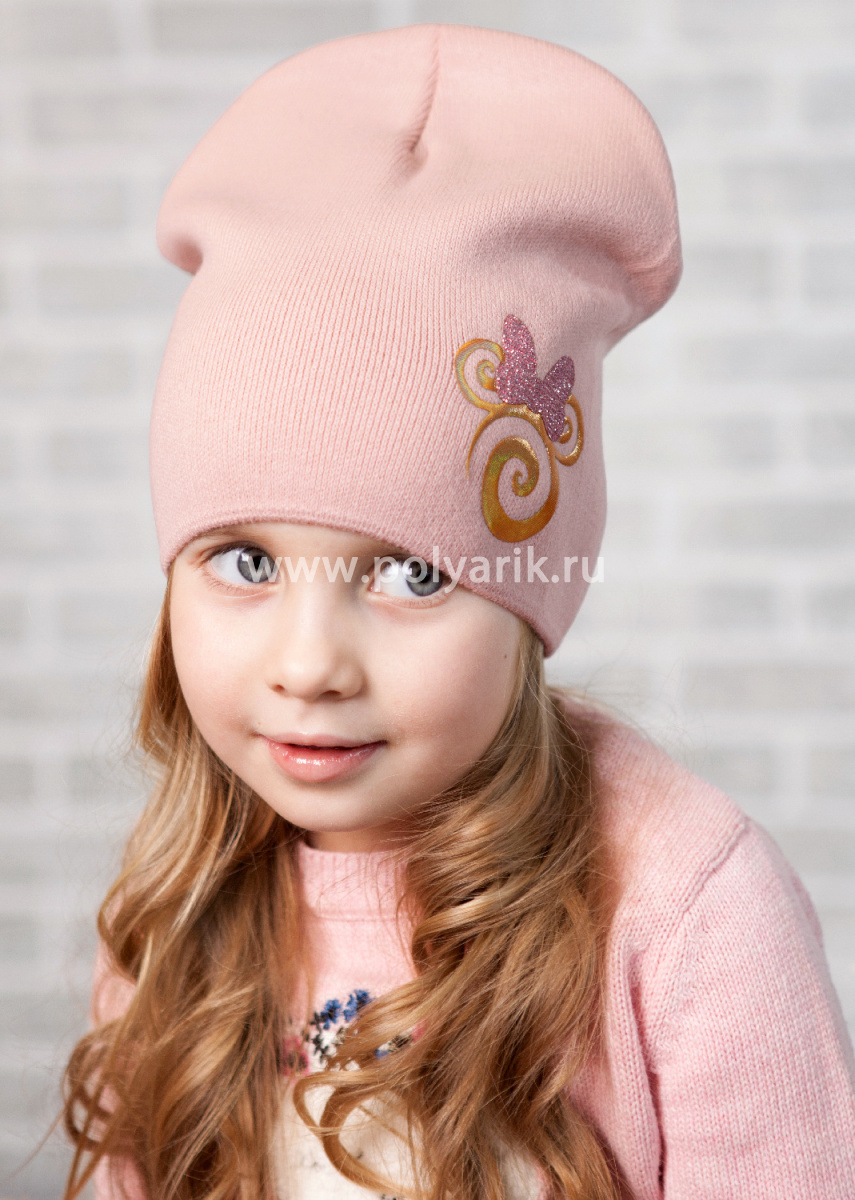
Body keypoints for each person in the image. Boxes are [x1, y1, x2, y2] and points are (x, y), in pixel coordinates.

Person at [60, 23, 855, 1200]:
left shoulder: (688, 909)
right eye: (245, 559)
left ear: (533, 604)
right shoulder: (178, 915)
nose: (309, 663)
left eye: (412, 574)